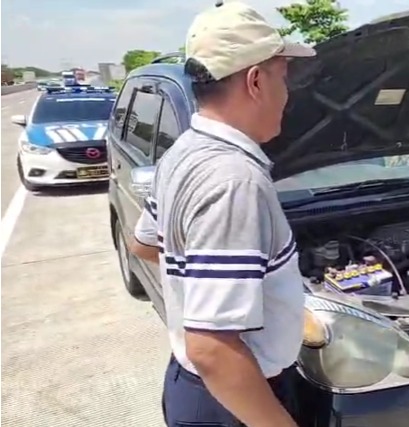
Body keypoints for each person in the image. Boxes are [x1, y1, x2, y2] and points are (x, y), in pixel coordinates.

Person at [126, 2, 315, 426]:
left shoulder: (182, 153)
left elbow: (144, 243)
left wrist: (221, 285)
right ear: (256, 80)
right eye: (283, 78)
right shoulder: (235, 180)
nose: (288, 95)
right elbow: (211, 349)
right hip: (237, 398)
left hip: (199, 390)